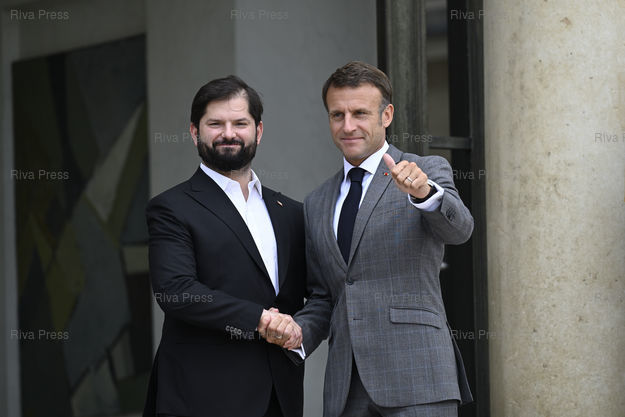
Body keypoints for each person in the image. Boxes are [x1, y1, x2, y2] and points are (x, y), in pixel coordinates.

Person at [265, 61, 474, 416]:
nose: (348, 126)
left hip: (417, 376)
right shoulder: (317, 202)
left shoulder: (425, 170)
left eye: (360, 113)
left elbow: (460, 230)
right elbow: (324, 296)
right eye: (337, 115)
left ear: (386, 115)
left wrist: (425, 194)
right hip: (346, 387)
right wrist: (297, 332)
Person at [143, 75, 305, 417]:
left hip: (279, 396)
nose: (228, 133)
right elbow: (176, 291)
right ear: (194, 132)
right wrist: (259, 319)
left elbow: (316, 293)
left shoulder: (290, 212)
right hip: (201, 398)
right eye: (215, 124)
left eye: (240, 123)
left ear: (258, 131)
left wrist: (301, 332)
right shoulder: (172, 208)